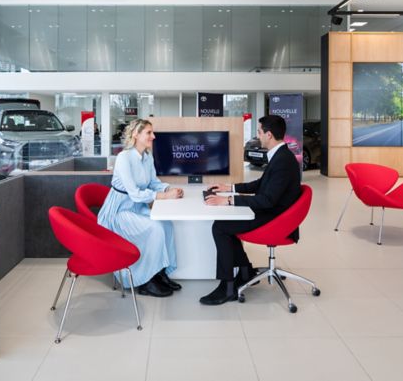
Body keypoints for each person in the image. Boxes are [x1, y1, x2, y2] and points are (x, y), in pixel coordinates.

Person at [200, 115, 302, 305]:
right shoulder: (280, 156)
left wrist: (228, 201)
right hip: (273, 212)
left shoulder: (283, 161)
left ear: (269, 135)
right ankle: (245, 271)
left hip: (275, 218)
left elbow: (267, 200)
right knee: (226, 224)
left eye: (259, 132)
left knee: (220, 227)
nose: (258, 136)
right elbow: (260, 185)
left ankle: (228, 287)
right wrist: (230, 188)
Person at [98, 119, 184, 297]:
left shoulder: (147, 156)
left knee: (166, 224)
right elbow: (135, 193)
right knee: (154, 229)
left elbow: (153, 183)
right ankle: (146, 281)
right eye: (149, 133)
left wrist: (168, 188)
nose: (153, 136)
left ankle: (160, 273)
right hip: (119, 211)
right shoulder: (124, 158)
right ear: (136, 135)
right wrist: (165, 196)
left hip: (136, 207)